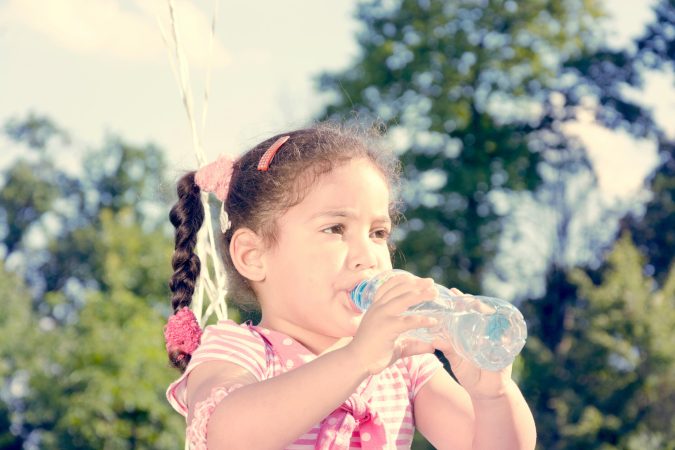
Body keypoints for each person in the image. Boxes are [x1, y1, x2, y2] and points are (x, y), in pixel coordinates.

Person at [164, 123, 536, 450]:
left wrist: (493, 394)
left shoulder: (403, 364)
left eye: (378, 233)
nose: (368, 256)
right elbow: (227, 436)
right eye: (335, 229)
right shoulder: (238, 351)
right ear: (254, 255)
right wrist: (357, 357)